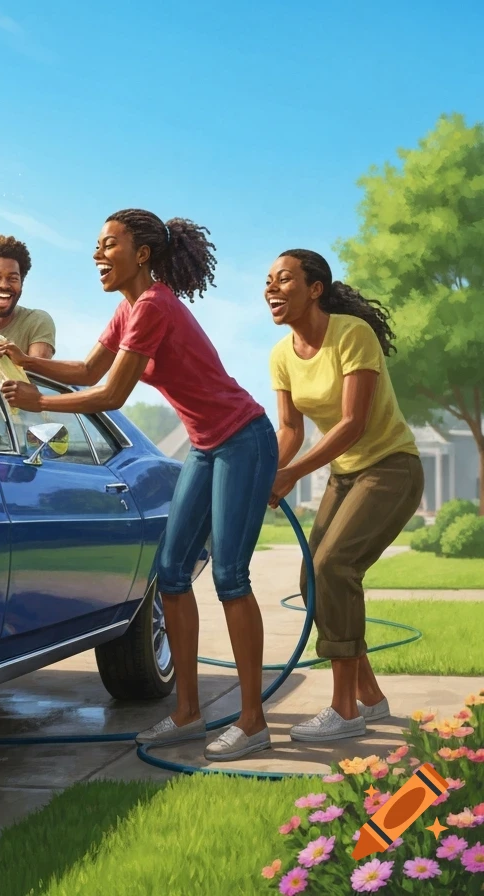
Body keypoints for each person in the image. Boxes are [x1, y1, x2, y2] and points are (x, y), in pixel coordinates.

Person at [0, 209, 278, 762]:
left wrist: (38, 403)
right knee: (171, 573)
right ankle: (188, 713)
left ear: (141, 253)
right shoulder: (128, 310)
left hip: (244, 440)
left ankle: (252, 721)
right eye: (96, 246)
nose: (98, 255)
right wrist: (19, 359)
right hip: (206, 444)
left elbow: (111, 395)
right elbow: (85, 370)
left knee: (230, 576)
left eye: (109, 245)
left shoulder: (152, 306)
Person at [264, 249, 422, 743]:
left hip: (391, 468)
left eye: (284, 279)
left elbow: (353, 424)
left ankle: (343, 708)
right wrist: (266, 471)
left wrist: (291, 476)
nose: (271, 288)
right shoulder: (281, 354)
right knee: (315, 580)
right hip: (345, 474)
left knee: (334, 567)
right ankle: (370, 697)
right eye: (268, 280)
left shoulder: (352, 335)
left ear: (315, 289)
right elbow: (290, 430)